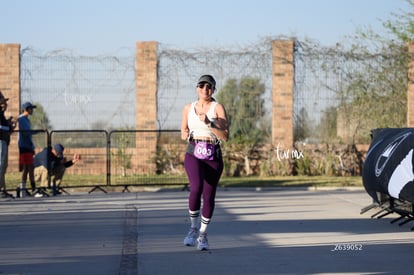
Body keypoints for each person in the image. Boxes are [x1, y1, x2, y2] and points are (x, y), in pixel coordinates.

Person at [181, 74, 229, 251]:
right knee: (196, 188)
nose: (205, 89)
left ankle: (202, 234)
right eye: (201, 86)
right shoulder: (188, 107)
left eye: (209, 87)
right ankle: (193, 228)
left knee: (208, 195)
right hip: (194, 151)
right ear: (197, 88)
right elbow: (183, 131)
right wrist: (185, 134)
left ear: (213, 89)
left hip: (213, 153)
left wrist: (210, 124)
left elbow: (225, 136)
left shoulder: (218, 108)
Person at [18, 101, 37, 195]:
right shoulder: (22, 119)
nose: (32, 110)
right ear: (26, 109)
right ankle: (33, 189)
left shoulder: (26, 119)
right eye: (30, 108)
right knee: (30, 167)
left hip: (28, 146)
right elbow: (26, 133)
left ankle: (23, 189)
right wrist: (37, 131)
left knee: (26, 168)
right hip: (25, 146)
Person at [0, 91, 16, 198]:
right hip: (0, 141)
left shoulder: (2, 115)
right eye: (3, 103)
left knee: (3, 167)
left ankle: (2, 189)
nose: (5, 105)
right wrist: (9, 127)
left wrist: (9, 124)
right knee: (0, 165)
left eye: (5, 103)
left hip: (4, 141)